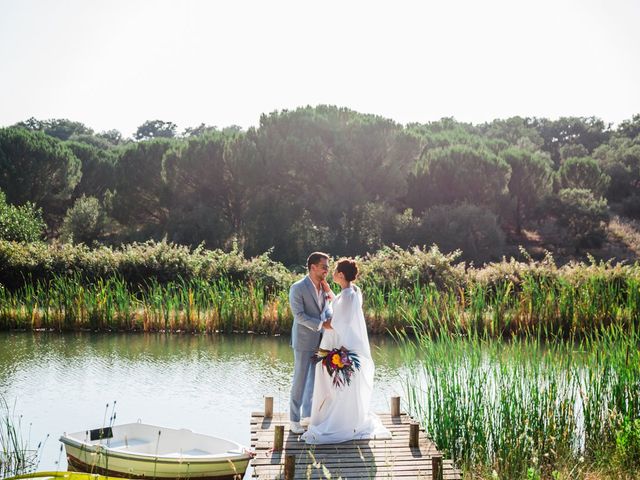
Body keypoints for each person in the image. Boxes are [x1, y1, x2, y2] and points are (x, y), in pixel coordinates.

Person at [301, 258, 392, 444]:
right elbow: (341, 304)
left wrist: (319, 324)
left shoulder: (350, 296)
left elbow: (337, 322)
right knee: (336, 385)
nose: (331, 272)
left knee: (337, 385)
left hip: (340, 347)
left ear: (341, 275)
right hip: (340, 345)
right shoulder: (351, 292)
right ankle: (328, 416)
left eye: (334, 270)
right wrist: (327, 290)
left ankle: (337, 422)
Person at [288, 252, 335, 434]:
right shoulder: (298, 288)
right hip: (303, 341)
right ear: (313, 267)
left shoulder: (323, 288)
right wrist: (322, 324)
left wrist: (331, 319)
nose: (327, 270)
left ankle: (307, 417)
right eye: (324, 267)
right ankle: (293, 419)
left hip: (320, 341)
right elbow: (299, 316)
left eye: (328, 267)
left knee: (313, 381)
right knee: (299, 381)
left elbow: (328, 308)